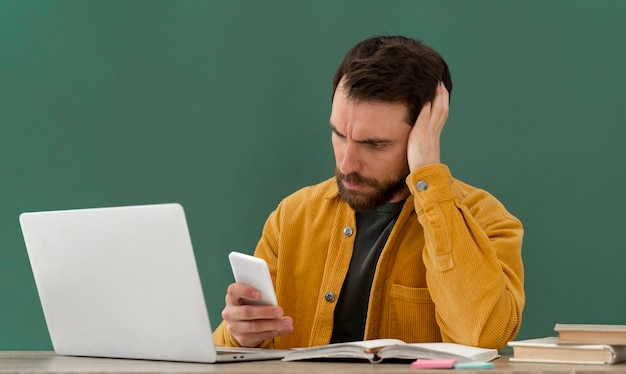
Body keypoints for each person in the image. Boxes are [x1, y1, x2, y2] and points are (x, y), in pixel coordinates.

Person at [213, 35, 524, 350]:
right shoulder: (293, 215)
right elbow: (228, 348)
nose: (347, 163)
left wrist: (429, 178)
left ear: (424, 134)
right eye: (338, 134)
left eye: (374, 144)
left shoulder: (486, 221)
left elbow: (481, 336)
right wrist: (239, 336)